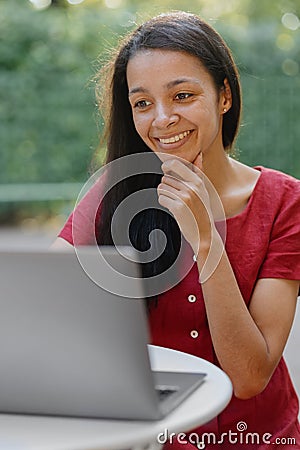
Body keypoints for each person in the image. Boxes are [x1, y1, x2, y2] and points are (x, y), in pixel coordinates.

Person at [53, 11, 300, 449]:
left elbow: (249, 376)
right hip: (153, 439)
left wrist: (204, 237)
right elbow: (40, 298)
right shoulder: (113, 197)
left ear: (224, 96)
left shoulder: (285, 202)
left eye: (182, 95)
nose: (162, 119)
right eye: (142, 103)